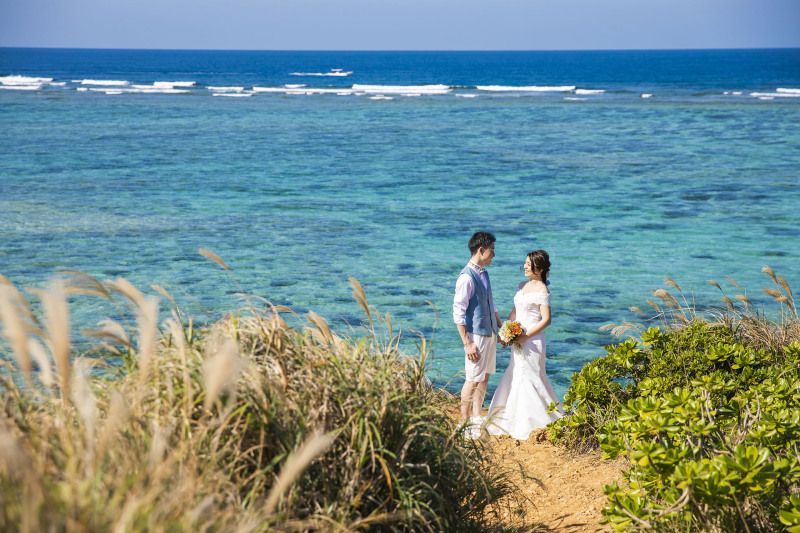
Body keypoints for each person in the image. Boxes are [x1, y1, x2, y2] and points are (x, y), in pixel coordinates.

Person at [487, 250, 562, 440]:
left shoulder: (543, 290)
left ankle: (536, 421)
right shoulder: (522, 286)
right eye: (525, 264)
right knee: (516, 373)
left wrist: (525, 336)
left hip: (533, 341)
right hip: (517, 337)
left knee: (532, 376)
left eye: (529, 264)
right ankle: (511, 420)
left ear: (540, 268)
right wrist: (506, 333)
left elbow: (546, 320)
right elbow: (514, 313)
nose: (525, 267)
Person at [453, 231, 503, 438]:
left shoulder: (484, 273)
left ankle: (476, 417)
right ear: (481, 250)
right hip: (476, 335)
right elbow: (458, 311)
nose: (494, 255)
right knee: (472, 379)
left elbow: (491, 303)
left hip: (489, 332)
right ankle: (463, 422)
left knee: (484, 377)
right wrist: (467, 343)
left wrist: (501, 327)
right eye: (492, 251)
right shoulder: (466, 277)